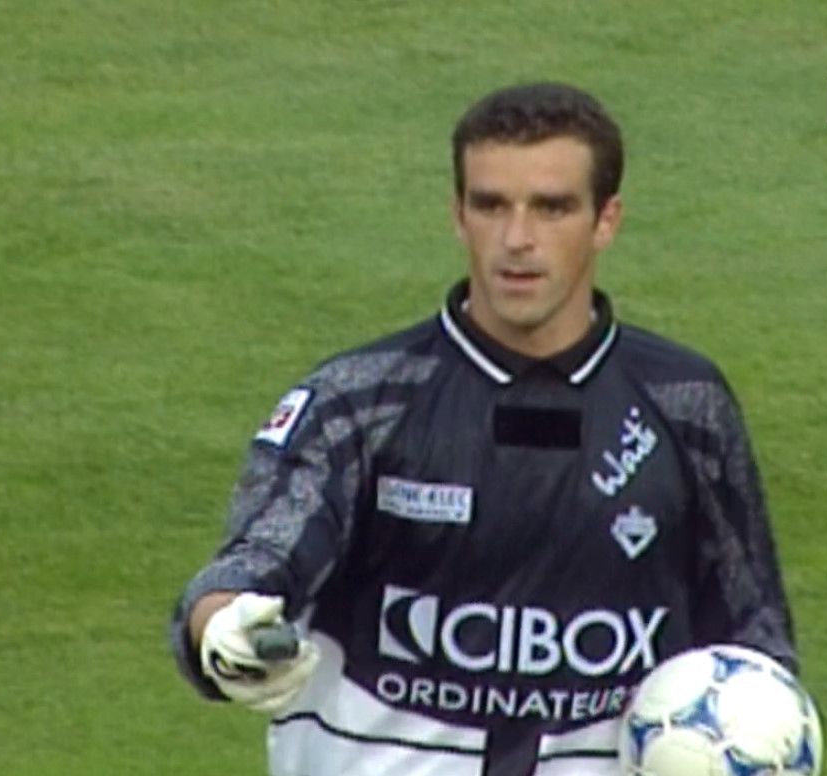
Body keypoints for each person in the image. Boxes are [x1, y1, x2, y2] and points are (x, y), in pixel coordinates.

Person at [169, 81, 795, 776]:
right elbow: (251, 567)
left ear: (606, 220)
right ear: (458, 215)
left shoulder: (685, 405)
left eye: (552, 207)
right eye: (491, 205)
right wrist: (223, 630)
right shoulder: (361, 402)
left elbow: (755, 635)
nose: (517, 240)